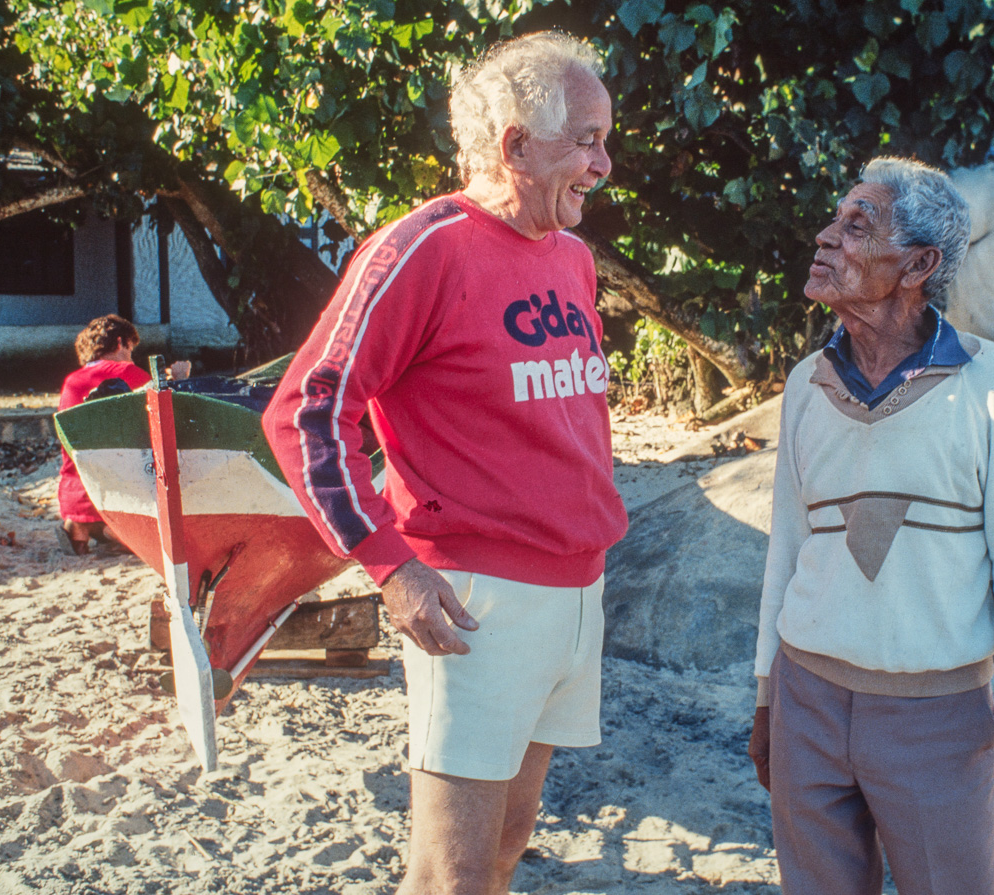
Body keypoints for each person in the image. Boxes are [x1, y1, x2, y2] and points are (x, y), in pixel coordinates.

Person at [260, 32, 625, 895]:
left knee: (506, 844)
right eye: (586, 140)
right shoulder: (422, 248)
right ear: (515, 145)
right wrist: (391, 569)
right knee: (450, 876)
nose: (604, 164)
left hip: (581, 592)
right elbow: (306, 412)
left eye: (605, 139)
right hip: (473, 602)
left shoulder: (572, 259)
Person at [746, 157, 994, 894]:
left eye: (856, 225)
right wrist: (767, 697)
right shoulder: (806, 385)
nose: (826, 236)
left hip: (936, 718)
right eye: (836, 220)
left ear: (919, 265)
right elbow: (788, 547)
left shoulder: (990, 379)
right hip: (806, 699)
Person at [55, 314, 186, 554]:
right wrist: (179, 380)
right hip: (114, 496)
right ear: (119, 343)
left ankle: (79, 528)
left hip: (74, 492)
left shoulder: (71, 381)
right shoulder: (127, 372)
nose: (131, 357)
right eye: (130, 349)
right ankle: (108, 531)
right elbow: (168, 414)